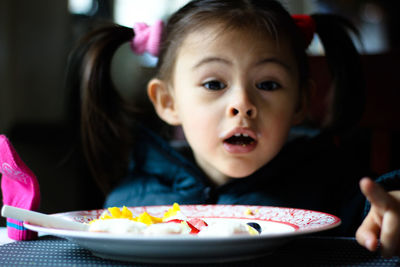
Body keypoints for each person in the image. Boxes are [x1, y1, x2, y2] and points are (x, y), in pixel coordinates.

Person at [66, 0, 400, 257]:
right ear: (168, 102)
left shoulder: (330, 183)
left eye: (268, 84)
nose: (242, 103)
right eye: (214, 84)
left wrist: (391, 210)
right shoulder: (134, 200)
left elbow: (377, 211)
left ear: (300, 102)